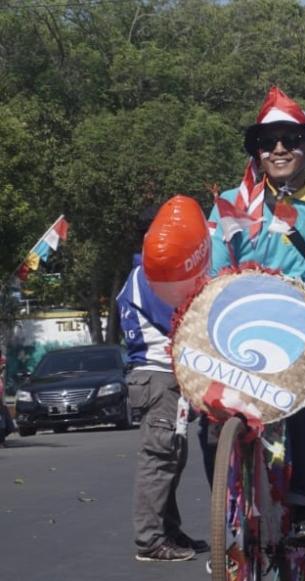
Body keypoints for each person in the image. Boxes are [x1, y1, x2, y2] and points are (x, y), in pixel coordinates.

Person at [208, 86, 305, 542]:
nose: (278, 149)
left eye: (290, 140)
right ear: (256, 151)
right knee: (208, 420)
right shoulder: (233, 201)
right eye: (267, 141)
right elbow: (215, 269)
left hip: (304, 324)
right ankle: (229, 505)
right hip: (239, 326)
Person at [120, 200, 208, 562]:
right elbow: (178, 320)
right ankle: (150, 540)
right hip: (157, 376)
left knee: (172, 455)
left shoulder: (149, 274)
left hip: (159, 377)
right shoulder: (150, 277)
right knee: (159, 458)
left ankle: (169, 530)